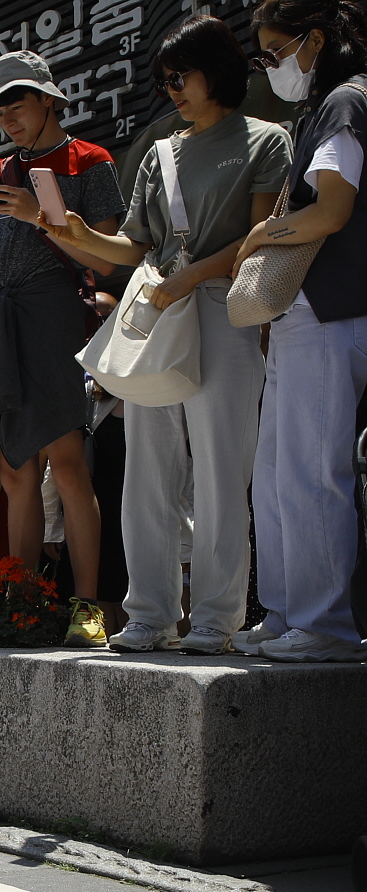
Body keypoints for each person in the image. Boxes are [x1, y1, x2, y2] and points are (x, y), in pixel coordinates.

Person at [39, 18, 291, 654]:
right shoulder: (160, 151)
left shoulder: (267, 140)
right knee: (147, 470)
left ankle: (216, 618)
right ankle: (149, 613)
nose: (172, 90)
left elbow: (260, 238)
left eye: (181, 76)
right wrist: (78, 236)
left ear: (218, 69)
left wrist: (188, 279)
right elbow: (134, 246)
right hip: (160, 311)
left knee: (221, 469)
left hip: (224, 311)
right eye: (164, 81)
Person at [0, 50, 128, 647]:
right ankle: (24, 603)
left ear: (49, 100)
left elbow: (106, 258)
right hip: (5, 316)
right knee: (14, 466)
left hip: (58, 311)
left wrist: (42, 218)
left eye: (17, 103)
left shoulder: (91, 160)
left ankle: (87, 607)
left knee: (68, 462)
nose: (6, 117)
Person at [230, 0, 367, 661]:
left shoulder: (346, 100)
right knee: (279, 472)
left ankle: (325, 625)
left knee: (312, 470)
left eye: (274, 52)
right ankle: (287, 612)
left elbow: (333, 210)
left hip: (331, 307)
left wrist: (262, 232)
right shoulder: (324, 106)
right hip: (305, 311)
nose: (268, 67)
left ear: (315, 39)